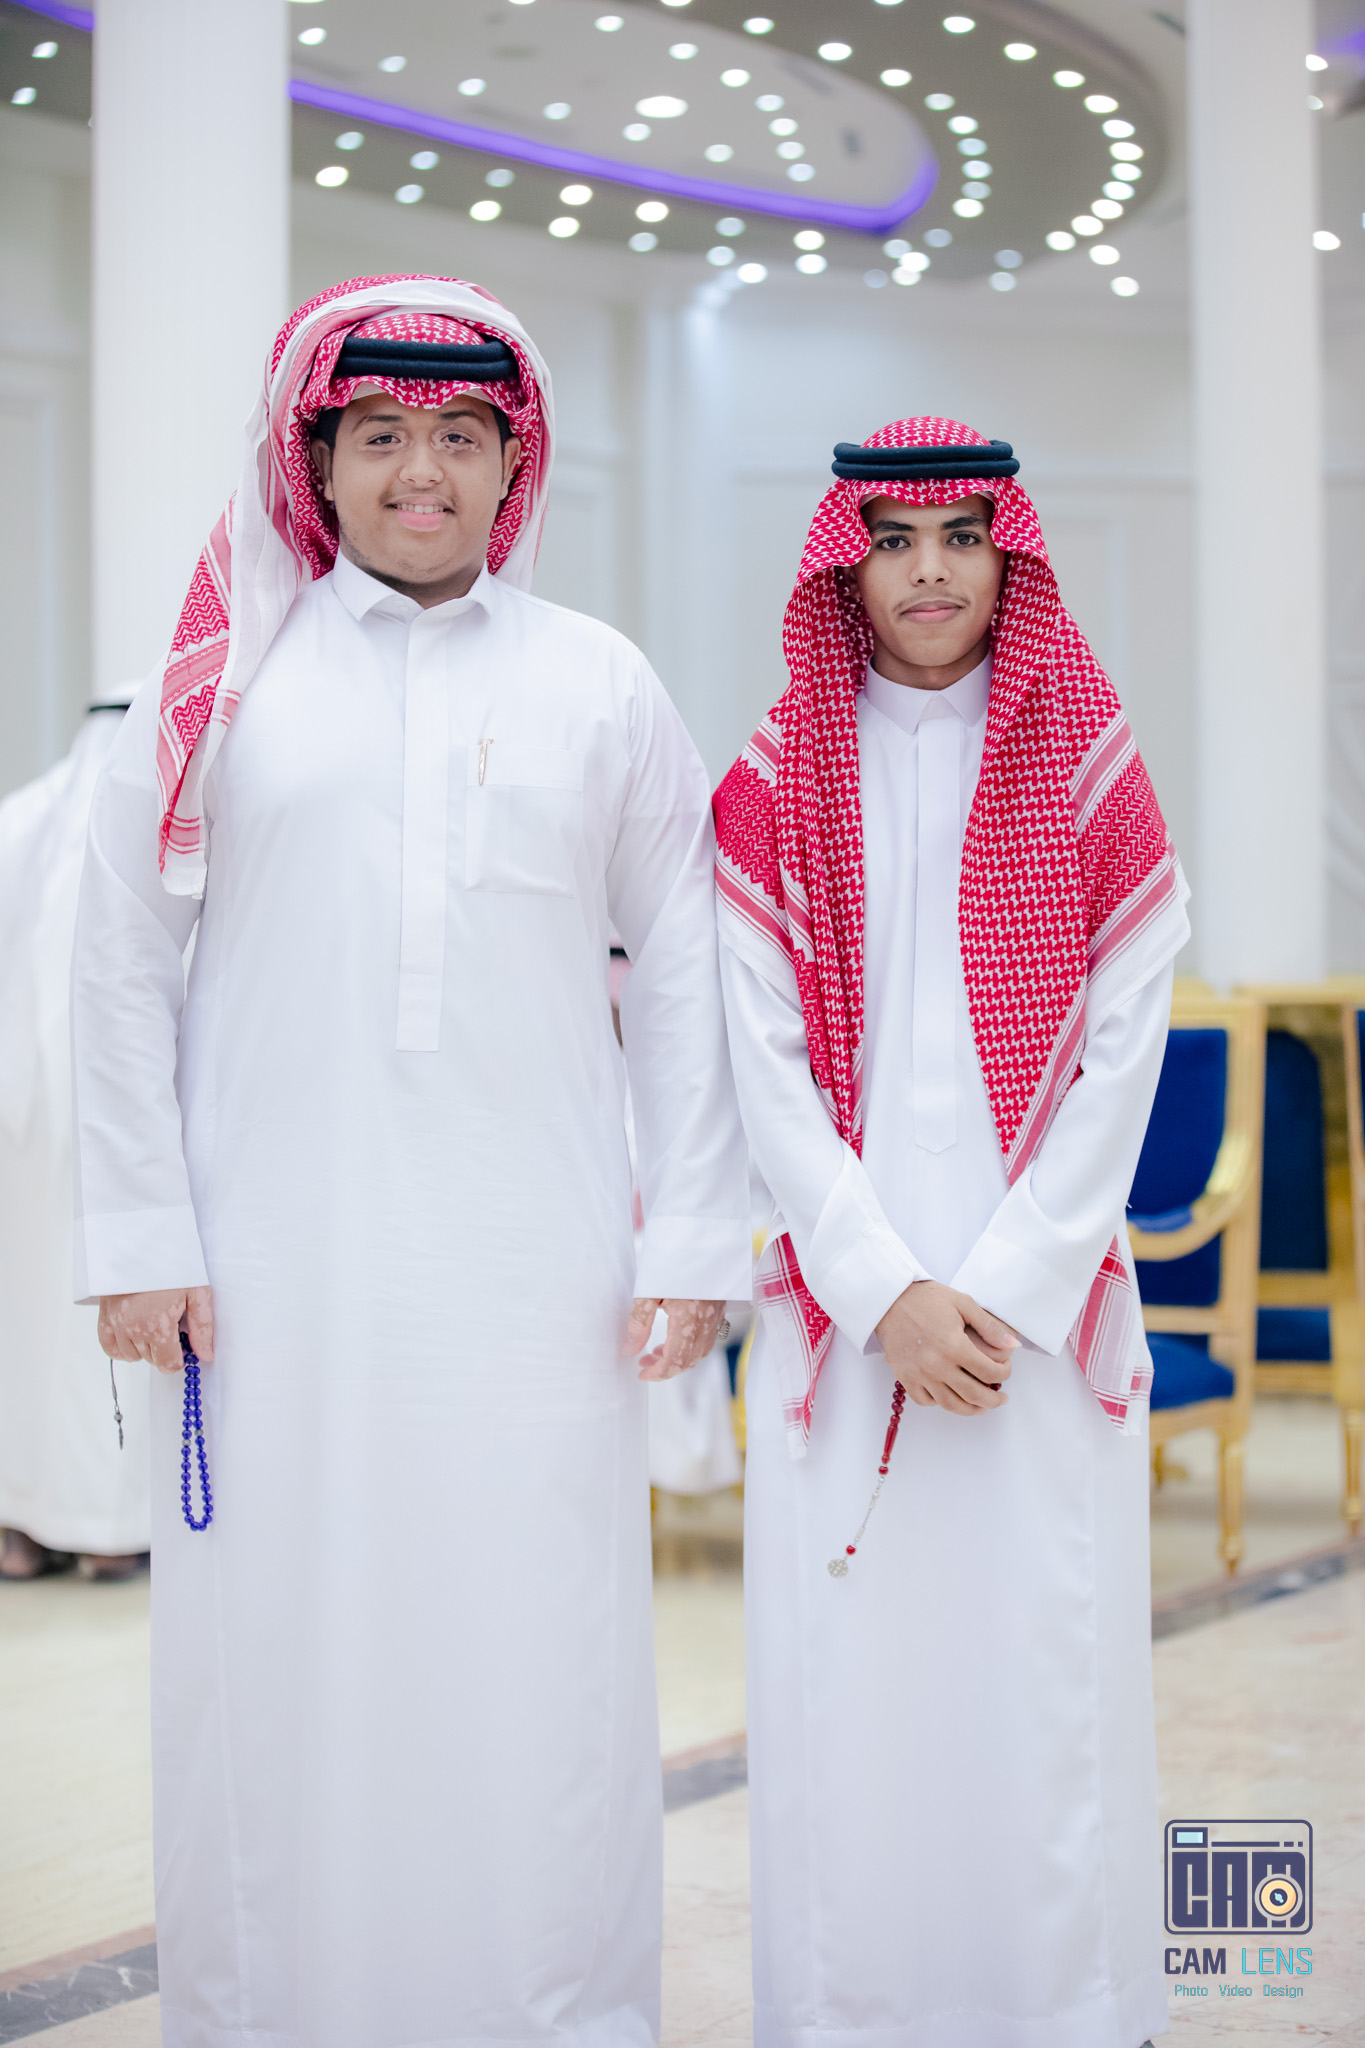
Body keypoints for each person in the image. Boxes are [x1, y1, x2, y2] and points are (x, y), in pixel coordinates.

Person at [71, 274, 751, 2048]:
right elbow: (118, 955)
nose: (420, 471)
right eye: (379, 434)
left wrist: (694, 1233)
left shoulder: (598, 682)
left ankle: (553, 2012)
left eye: (457, 435)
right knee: (279, 1657)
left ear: (514, 463)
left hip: (539, 1281)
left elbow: (691, 964)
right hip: (272, 1277)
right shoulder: (225, 687)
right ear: (318, 462)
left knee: (536, 1656)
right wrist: (139, 1230)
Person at [714, 419, 1187, 2048]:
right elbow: (761, 1060)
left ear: (1009, 557)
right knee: (848, 1680)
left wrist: (1009, 1282)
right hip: (849, 1316)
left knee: (1039, 1663)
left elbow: (1125, 1043)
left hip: (1035, 1319)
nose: (928, 570)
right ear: (844, 563)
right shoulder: (774, 778)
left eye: (961, 537)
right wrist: (881, 1289)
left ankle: (1061, 2005)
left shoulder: (1088, 766)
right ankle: (850, 2008)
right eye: (894, 537)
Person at [0, 693, 150, 1581]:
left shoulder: (21, 820)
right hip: (104, 1131)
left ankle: (25, 1526)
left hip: (22, 1136)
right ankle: (107, 1531)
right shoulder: (133, 819)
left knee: (27, 1324)